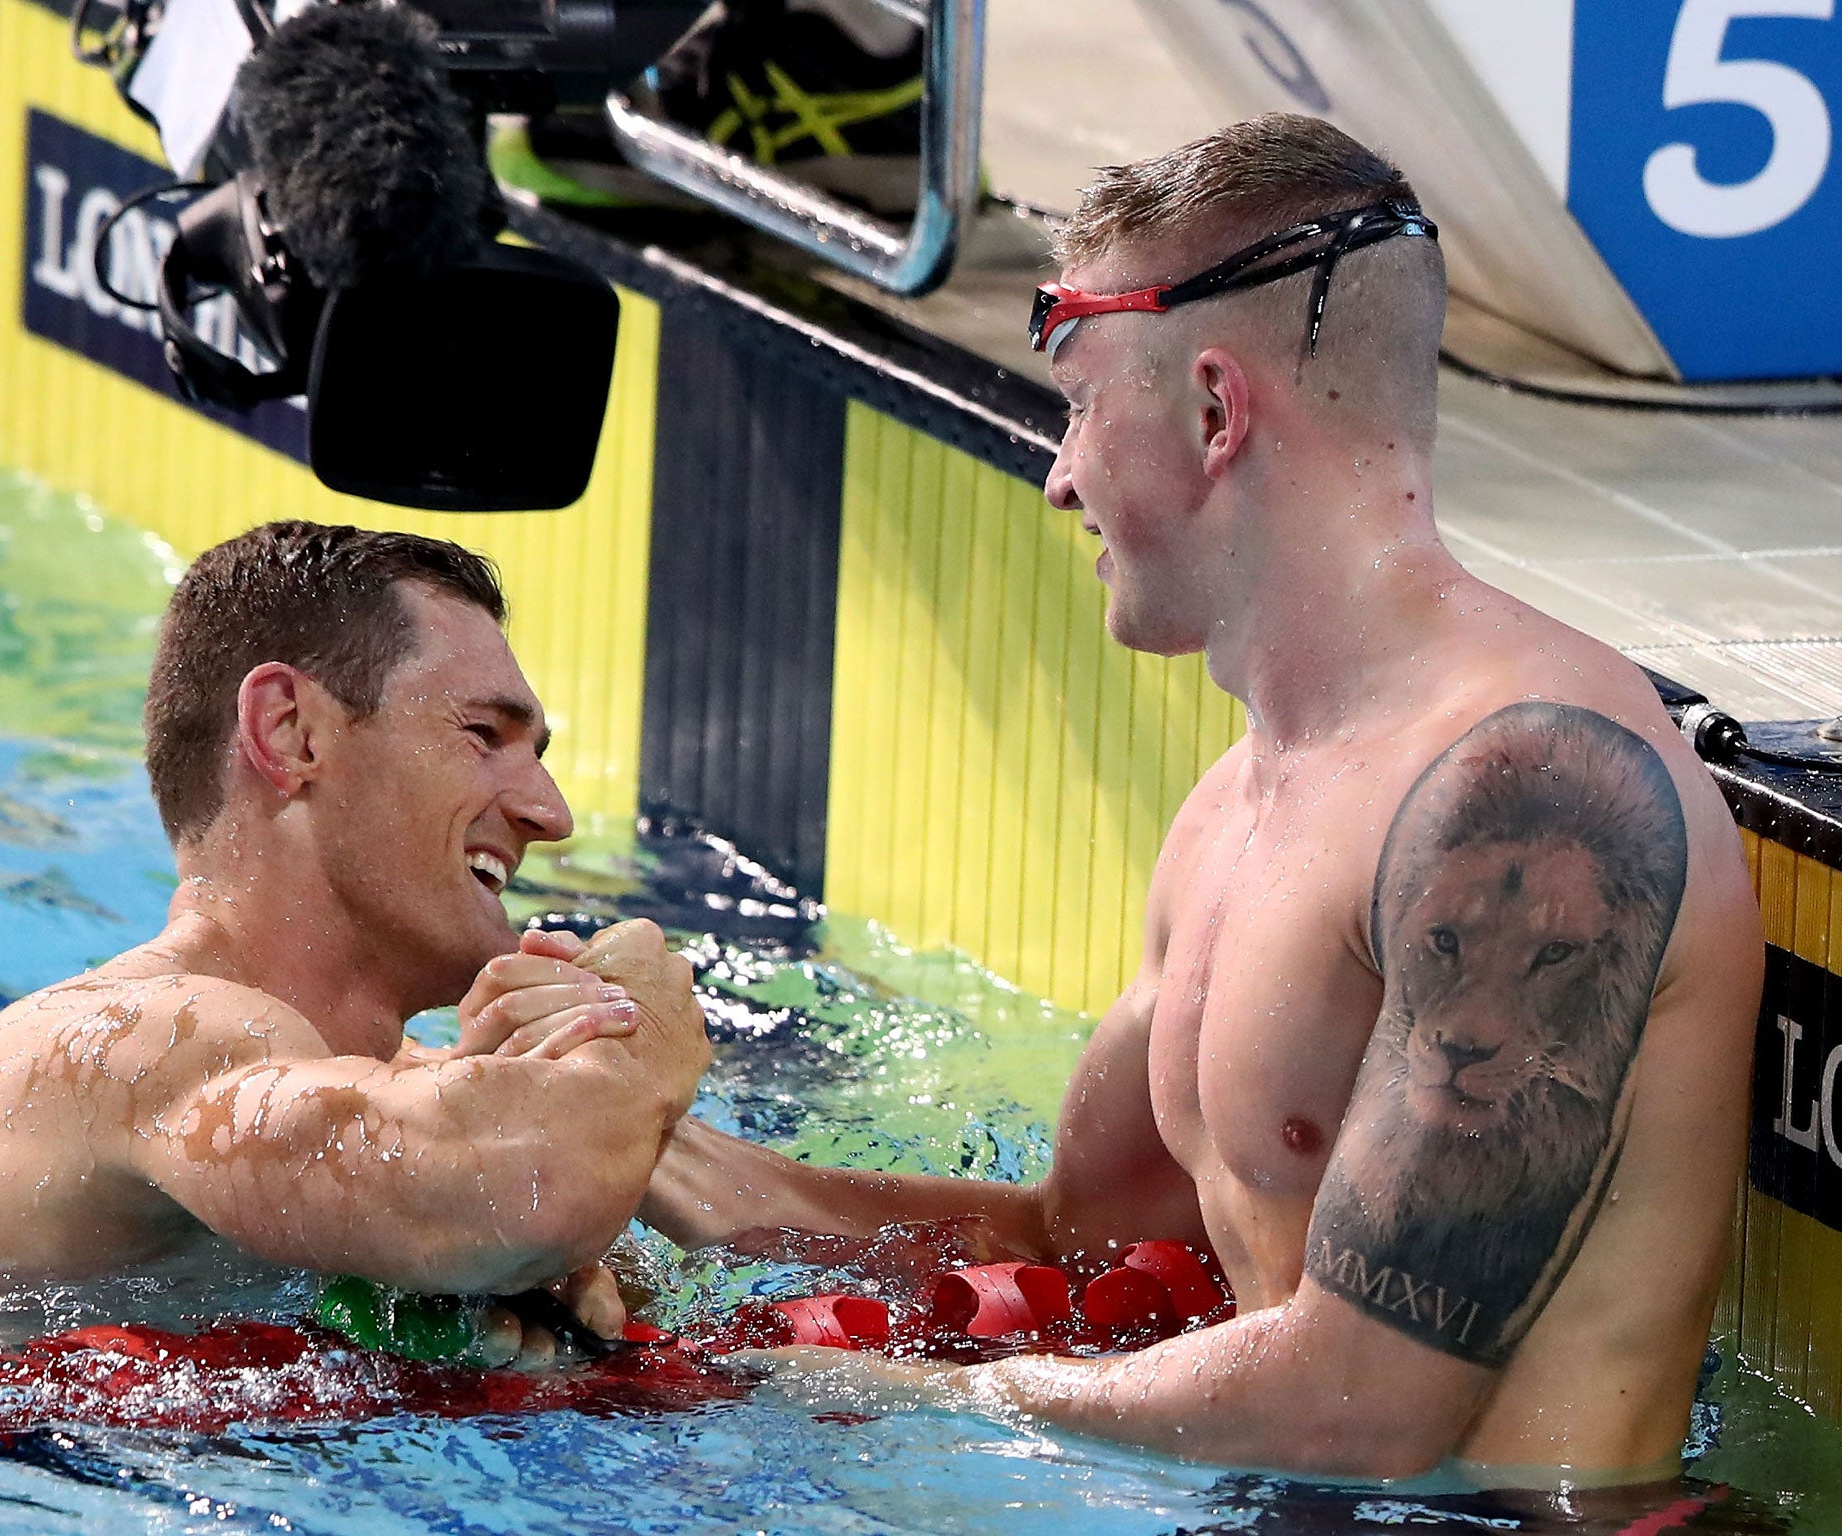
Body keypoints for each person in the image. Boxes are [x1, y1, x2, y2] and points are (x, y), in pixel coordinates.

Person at [634, 115, 1762, 1481]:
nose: (1057, 479)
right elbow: (1078, 1244)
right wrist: (689, 1175)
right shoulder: (1235, 809)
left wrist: (914, 1396)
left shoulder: (1527, 792)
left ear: (1217, 411)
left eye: (1079, 405)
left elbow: (1369, 1404)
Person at [0, 522, 711, 1357]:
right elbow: (525, 1197)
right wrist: (642, 1038)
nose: (550, 814)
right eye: (482, 736)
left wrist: (570, 1268)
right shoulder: (131, 1042)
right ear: (290, 733)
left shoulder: (403, 1086)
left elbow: (785, 1229)